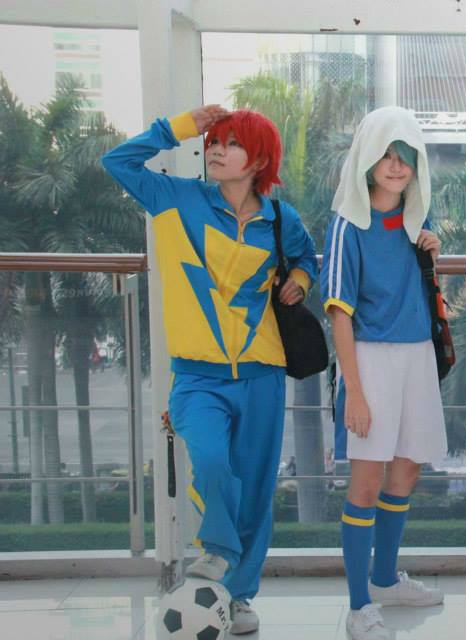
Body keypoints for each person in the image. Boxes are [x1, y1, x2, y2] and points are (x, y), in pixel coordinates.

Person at [102, 105, 318, 635]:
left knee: (256, 488)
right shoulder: (177, 199)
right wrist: (178, 128)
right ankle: (218, 550)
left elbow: (305, 258)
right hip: (197, 376)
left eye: (231, 143)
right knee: (213, 463)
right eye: (213, 142)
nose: (216, 151)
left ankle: (238, 596)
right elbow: (117, 162)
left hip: (262, 372)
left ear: (259, 160)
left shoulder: (280, 218)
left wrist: (300, 282)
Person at [320, 106, 446, 640]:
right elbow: (338, 313)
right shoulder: (347, 225)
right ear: (367, 160)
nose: (396, 166)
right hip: (368, 360)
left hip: (417, 356)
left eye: (406, 157)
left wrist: (433, 254)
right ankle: (358, 605)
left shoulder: (419, 225)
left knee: (408, 469)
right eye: (387, 155)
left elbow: (422, 294)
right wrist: (354, 391)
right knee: (367, 481)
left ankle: (386, 579)